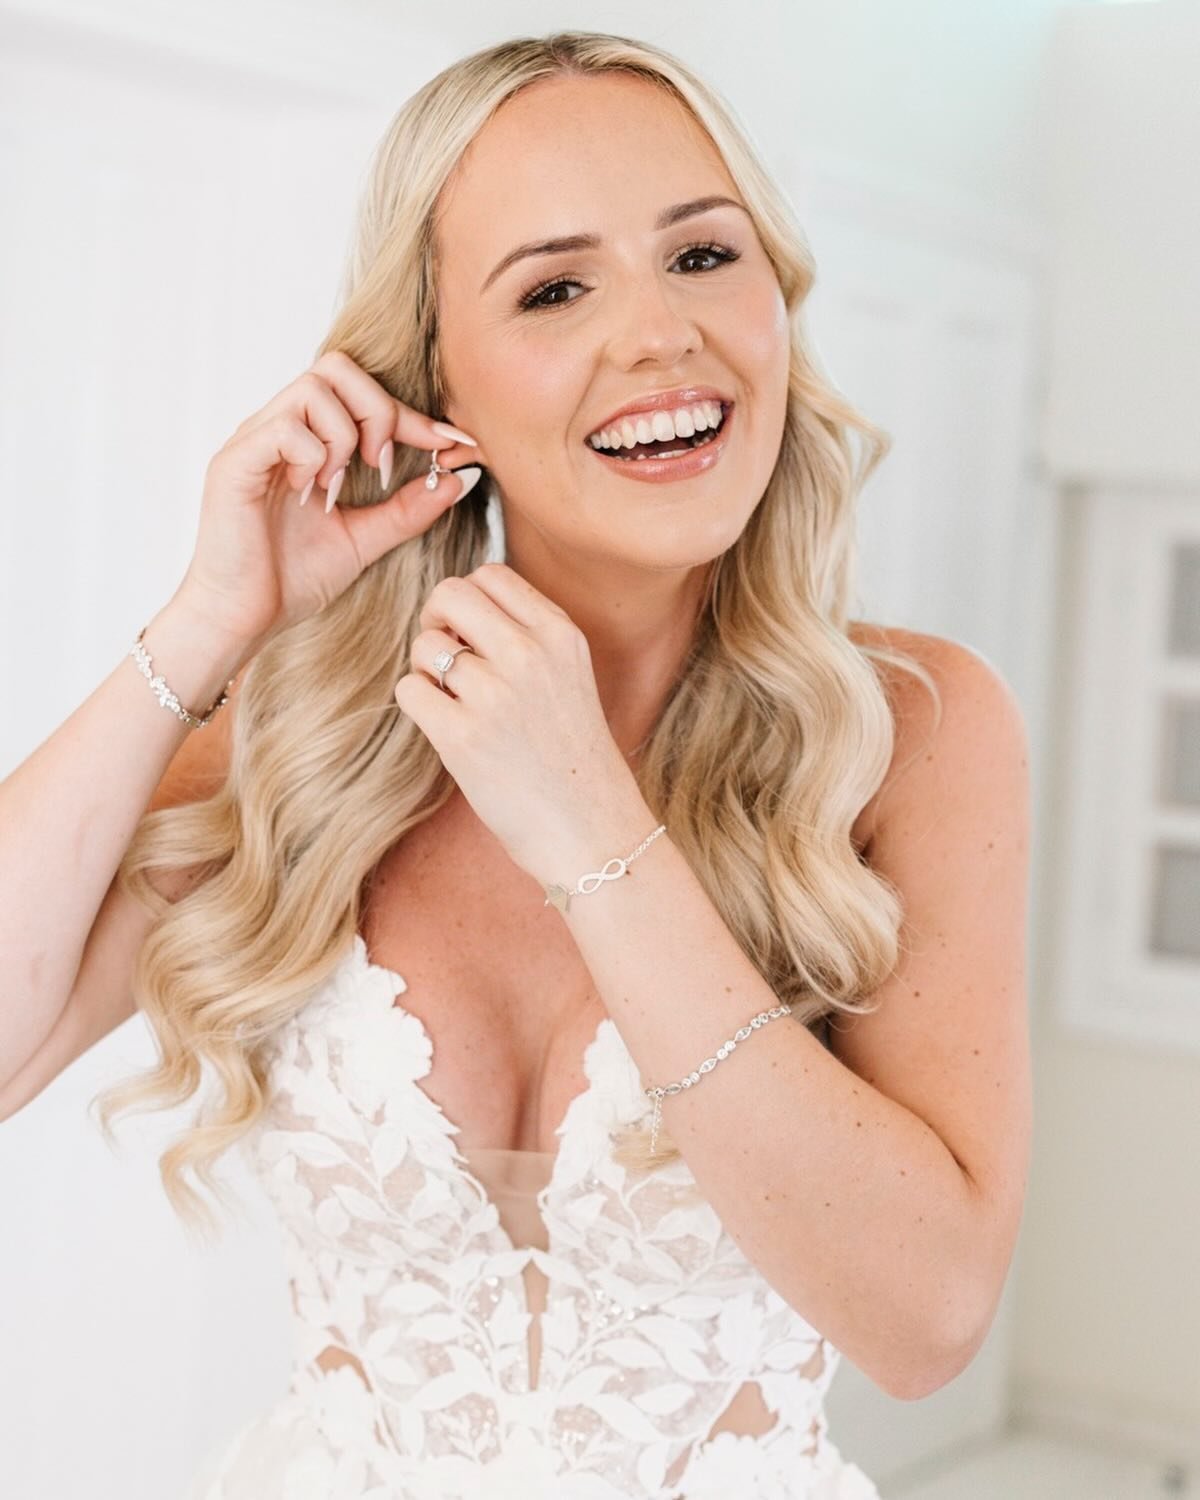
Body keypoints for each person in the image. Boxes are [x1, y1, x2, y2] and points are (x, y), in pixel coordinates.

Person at [0, 28, 1033, 1500]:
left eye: (703, 257)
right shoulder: (313, 734)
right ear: (438, 384)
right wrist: (209, 619)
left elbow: (927, 1322)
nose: (661, 337)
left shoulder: (915, 731)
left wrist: (596, 835)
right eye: (556, 287)